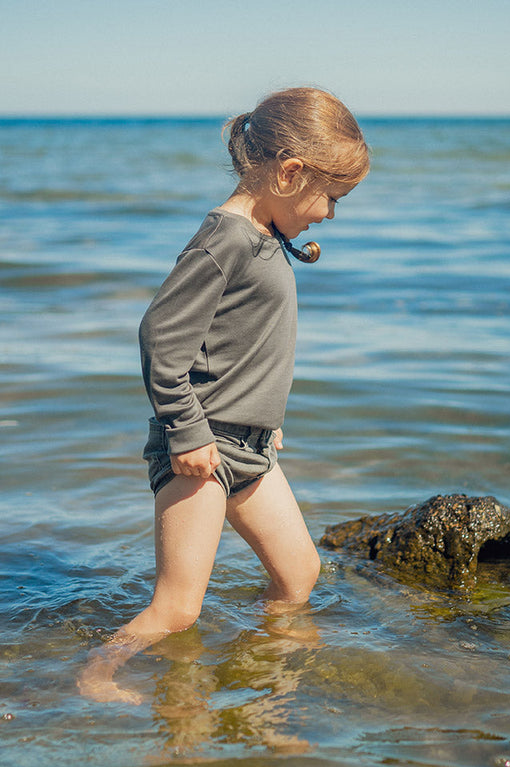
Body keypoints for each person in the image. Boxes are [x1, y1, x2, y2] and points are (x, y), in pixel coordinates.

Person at [79, 87, 370, 704]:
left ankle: (261, 682)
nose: (331, 215)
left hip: (251, 446)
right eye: (332, 198)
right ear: (291, 174)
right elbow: (160, 336)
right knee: (178, 607)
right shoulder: (226, 238)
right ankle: (94, 677)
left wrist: (264, 417)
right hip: (202, 451)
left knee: (299, 575)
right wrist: (186, 432)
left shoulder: (265, 235)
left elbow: (240, 343)